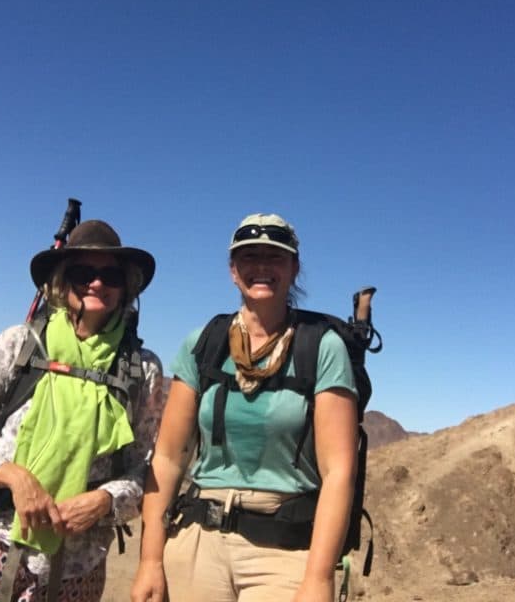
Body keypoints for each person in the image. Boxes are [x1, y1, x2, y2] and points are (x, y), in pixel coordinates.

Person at [0, 220, 163, 602]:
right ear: (61, 281)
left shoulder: (143, 368)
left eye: (110, 275)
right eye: (82, 273)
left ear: (127, 286)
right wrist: (14, 478)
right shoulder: (19, 345)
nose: (97, 283)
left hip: (79, 565)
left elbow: (147, 471)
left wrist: (106, 500)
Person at [132, 213, 358, 602]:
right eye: (249, 257)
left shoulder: (321, 347)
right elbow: (169, 458)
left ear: (293, 269)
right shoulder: (203, 343)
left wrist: (318, 579)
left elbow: (338, 472)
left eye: (275, 258)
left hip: (284, 552)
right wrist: (150, 560)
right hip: (198, 543)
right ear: (233, 270)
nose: (262, 268)